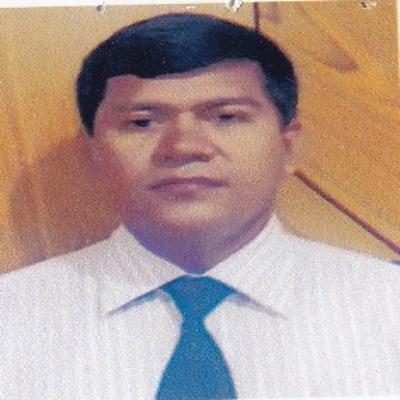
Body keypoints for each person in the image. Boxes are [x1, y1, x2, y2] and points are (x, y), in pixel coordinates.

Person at [1, 13, 399, 400]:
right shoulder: (12, 318)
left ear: (288, 146)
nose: (184, 147)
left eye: (226, 117)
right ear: (93, 154)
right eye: (142, 122)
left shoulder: (388, 306)